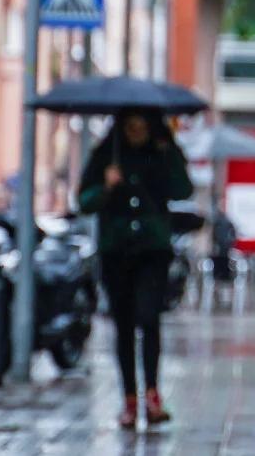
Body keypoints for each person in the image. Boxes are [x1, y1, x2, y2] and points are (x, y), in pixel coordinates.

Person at [78, 108, 193, 429]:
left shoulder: (163, 152)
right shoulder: (106, 156)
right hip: (116, 251)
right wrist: (106, 186)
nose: (136, 132)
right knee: (124, 325)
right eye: (130, 127)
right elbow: (84, 202)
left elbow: (183, 189)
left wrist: (167, 153)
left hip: (152, 251)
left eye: (142, 126)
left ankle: (153, 394)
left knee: (148, 318)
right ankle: (129, 397)